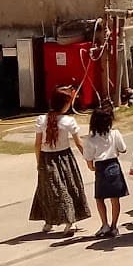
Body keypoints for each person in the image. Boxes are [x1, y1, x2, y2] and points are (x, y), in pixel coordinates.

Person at [30, 87, 90, 236]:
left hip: (46, 158)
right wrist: (89, 159)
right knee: (67, 188)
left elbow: (37, 143)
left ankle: (50, 221)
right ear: (65, 104)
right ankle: (68, 219)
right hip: (65, 158)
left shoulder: (41, 119)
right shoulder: (69, 121)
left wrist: (39, 161)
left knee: (48, 190)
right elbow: (79, 143)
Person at [81, 103, 129, 239]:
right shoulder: (115, 134)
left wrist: (92, 167)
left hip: (100, 167)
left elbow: (89, 159)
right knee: (115, 199)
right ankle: (114, 226)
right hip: (114, 164)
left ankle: (104, 224)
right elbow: (123, 148)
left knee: (100, 198)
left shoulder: (90, 139)